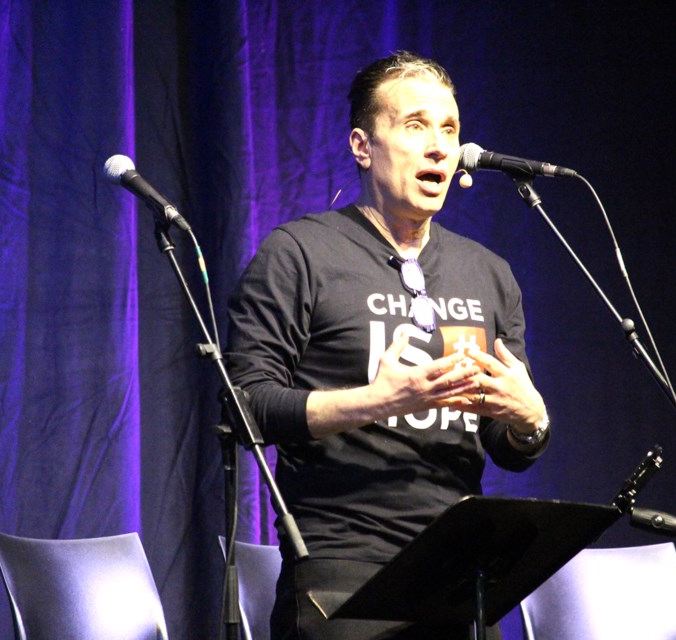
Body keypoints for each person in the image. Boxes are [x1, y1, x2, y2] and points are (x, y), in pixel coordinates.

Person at [226, 51, 550, 640]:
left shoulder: (489, 273)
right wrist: (377, 401)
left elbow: (507, 444)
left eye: (449, 130)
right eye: (415, 125)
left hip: (464, 578)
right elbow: (244, 405)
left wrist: (530, 420)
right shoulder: (300, 254)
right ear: (362, 146)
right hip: (341, 576)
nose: (438, 148)